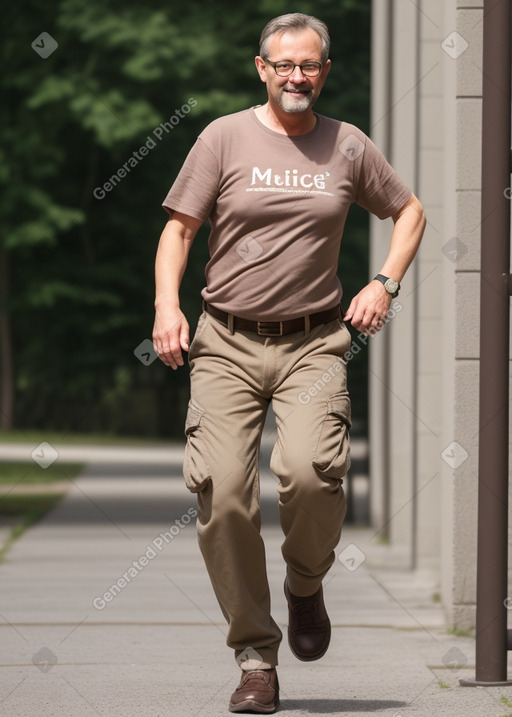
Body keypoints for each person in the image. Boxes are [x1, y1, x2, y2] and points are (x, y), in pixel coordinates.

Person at [153, 12, 426, 714]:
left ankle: (306, 583)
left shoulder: (348, 145)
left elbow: (411, 211)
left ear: (324, 72)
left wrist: (383, 282)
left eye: (309, 66)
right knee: (221, 490)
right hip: (226, 341)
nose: (296, 76)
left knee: (310, 474)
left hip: (313, 342)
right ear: (262, 69)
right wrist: (167, 306)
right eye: (284, 65)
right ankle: (255, 657)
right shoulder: (223, 137)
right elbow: (179, 228)